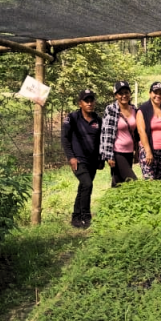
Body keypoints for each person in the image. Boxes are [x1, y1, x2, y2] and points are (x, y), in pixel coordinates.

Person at [61, 88, 103, 229]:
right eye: (86, 101)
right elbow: (65, 139)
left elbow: (101, 141)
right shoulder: (72, 118)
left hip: (92, 161)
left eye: (91, 100)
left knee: (84, 187)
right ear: (80, 103)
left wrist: (101, 158)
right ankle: (86, 216)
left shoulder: (98, 119)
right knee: (87, 184)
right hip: (78, 160)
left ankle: (76, 217)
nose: (89, 103)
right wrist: (71, 157)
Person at [99, 80, 138, 187]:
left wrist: (137, 150)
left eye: (126, 92)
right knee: (132, 181)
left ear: (130, 94)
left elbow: (136, 133)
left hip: (129, 152)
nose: (124, 96)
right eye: (120, 93)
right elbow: (106, 133)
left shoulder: (135, 110)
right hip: (117, 152)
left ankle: (113, 202)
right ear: (116, 95)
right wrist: (109, 156)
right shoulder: (111, 110)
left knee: (119, 181)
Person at [136, 81, 161, 180]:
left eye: (160, 93)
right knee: (150, 181)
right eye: (155, 92)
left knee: (160, 181)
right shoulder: (143, 110)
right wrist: (148, 152)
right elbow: (141, 131)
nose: (158, 95)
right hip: (149, 151)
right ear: (150, 93)